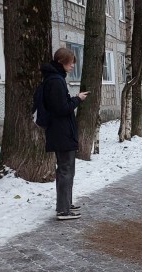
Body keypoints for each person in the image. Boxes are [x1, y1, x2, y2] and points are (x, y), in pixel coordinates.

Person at [41, 48, 88, 220]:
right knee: (65, 170)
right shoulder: (55, 81)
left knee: (67, 169)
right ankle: (63, 209)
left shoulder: (56, 79)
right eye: (70, 62)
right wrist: (77, 100)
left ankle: (66, 204)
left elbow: (60, 104)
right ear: (61, 62)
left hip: (61, 131)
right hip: (61, 132)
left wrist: (73, 98)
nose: (73, 65)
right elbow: (61, 108)